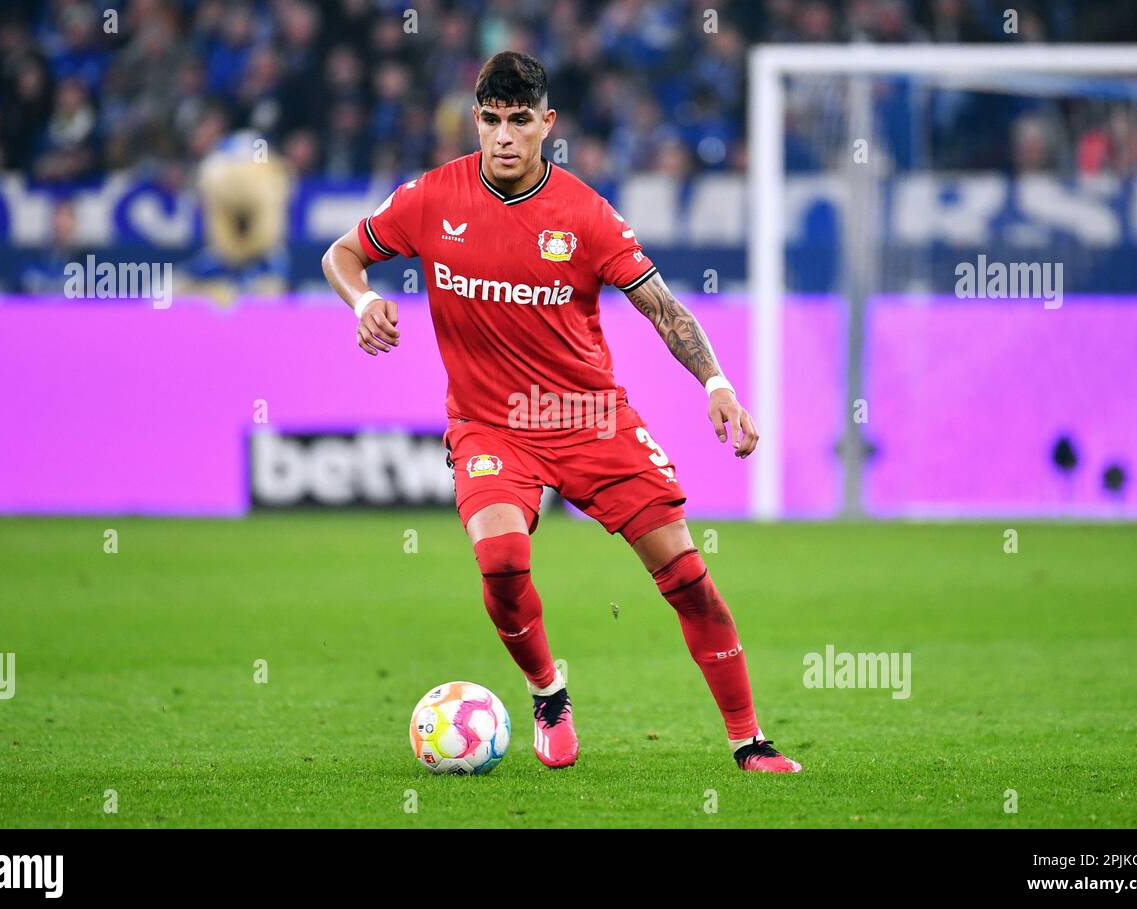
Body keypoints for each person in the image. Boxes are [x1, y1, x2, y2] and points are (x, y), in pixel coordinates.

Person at [323, 51, 800, 773]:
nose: (504, 136)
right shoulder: (429, 199)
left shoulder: (584, 214)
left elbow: (661, 309)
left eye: (520, 121)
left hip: (587, 419)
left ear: (548, 124)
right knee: (503, 558)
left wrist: (716, 385)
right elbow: (342, 254)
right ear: (474, 120)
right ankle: (548, 692)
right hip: (489, 425)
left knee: (688, 577)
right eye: (490, 121)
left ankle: (749, 740)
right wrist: (362, 301)